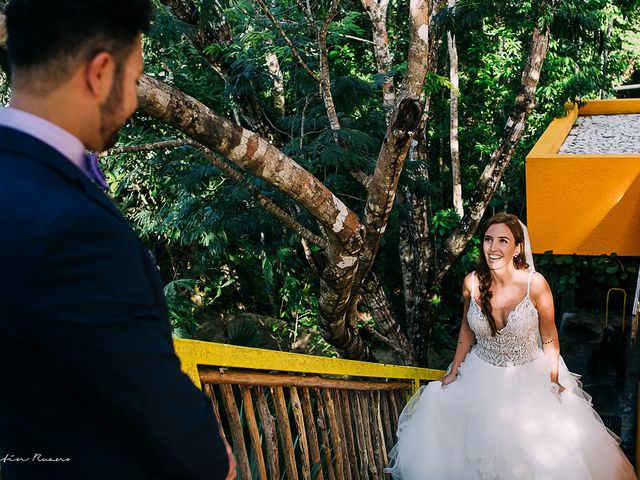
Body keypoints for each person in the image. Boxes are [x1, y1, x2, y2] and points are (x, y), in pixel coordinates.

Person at [0, 1, 235, 479]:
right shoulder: (75, 229)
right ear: (101, 73)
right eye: (134, 79)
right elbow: (149, 395)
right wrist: (216, 462)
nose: (131, 101)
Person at [386, 212, 636, 479]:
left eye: (503, 241)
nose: (493, 248)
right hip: (479, 375)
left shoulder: (535, 284)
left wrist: (553, 379)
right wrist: (454, 370)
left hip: (529, 377)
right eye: (488, 239)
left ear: (517, 248)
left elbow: (550, 337)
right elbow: (466, 330)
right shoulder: (471, 282)